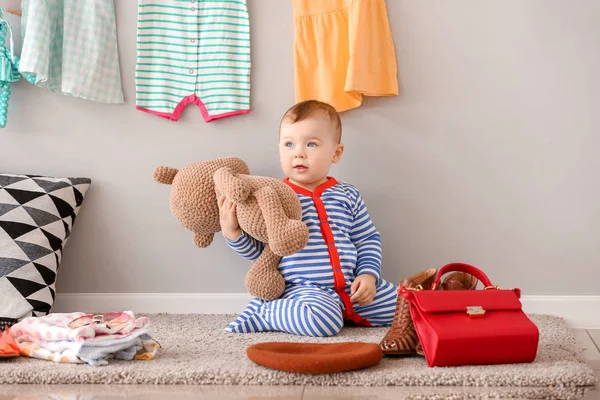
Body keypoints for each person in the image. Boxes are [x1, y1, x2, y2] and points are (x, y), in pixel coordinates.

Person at [218, 100, 397, 337]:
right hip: (304, 291)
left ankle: (345, 307)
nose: (299, 152)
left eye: (311, 144)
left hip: (352, 286)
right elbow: (261, 254)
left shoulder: (348, 194)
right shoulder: (273, 198)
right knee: (322, 322)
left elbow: (367, 239)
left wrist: (368, 275)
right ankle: (265, 311)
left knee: (408, 307)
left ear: (336, 152)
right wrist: (233, 233)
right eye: (289, 144)